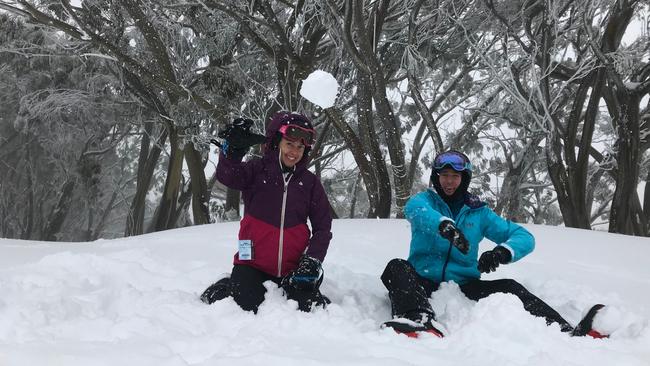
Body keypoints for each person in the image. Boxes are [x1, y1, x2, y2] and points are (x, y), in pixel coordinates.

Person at [380, 150, 607, 338]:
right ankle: (417, 321)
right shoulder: (425, 201)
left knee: (510, 286)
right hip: (423, 280)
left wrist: (501, 253)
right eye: (444, 175)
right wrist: (443, 226)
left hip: (465, 285)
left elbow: (524, 237)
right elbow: (414, 210)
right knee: (396, 267)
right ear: (437, 177)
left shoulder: (479, 213)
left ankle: (566, 331)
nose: (449, 181)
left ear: (464, 179)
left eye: (455, 176)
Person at [200, 111, 333, 313]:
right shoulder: (256, 170)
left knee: (306, 308)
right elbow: (228, 176)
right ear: (276, 142)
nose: (294, 152)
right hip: (252, 264)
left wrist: (313, 260)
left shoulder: (309, 183)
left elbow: (323, 226)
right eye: (289, 144)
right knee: (247, 304)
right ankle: (228, 284)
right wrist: (231, 154)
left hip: (293, 269)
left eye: (300, 147)